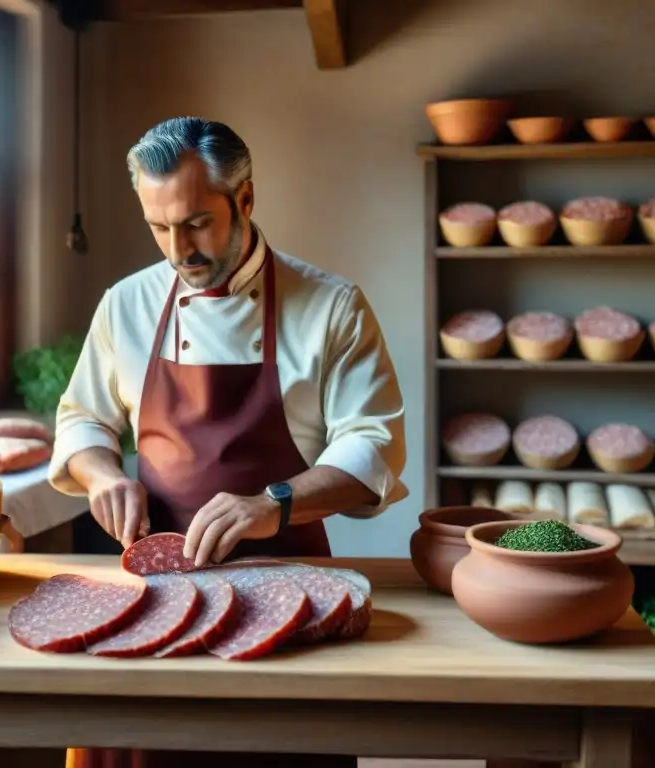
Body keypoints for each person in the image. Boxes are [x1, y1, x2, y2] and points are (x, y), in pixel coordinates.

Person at [49, 116, 407, 768]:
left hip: (289, 586)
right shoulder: (125, 305)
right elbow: (83, 421)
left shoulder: (331, 306)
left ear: (245, 198)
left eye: (195, 223)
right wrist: (103, 476)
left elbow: (374, 445)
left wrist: (273, 502)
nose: (176, 248)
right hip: (151, 595)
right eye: (158, 227)